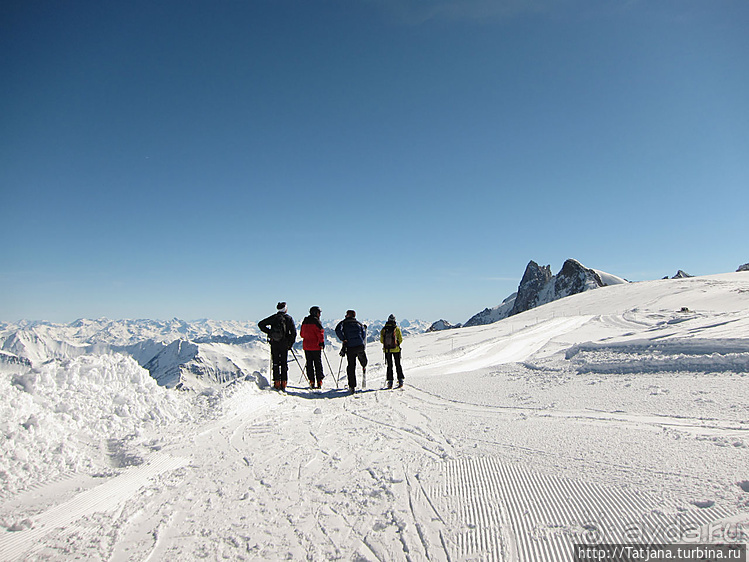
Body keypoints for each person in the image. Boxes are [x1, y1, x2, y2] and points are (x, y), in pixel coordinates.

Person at [258, 302, 296, 390]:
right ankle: (284, 382)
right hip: (284, 343)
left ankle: (276, 382)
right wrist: (290, 343)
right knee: (283, 362)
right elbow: (293, 332)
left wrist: (269, 332)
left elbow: (261, 324)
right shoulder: (288, 318)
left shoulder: (273, 318)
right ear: (285, 309)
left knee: (275, 362)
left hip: (274, 343)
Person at [335, 310, 368, 393]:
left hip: (350, 347)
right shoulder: (359, 323)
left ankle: (352, 386)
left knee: (351, 366)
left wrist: (343, 339)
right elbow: (363, 334)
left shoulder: (344, 323)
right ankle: (364, 365)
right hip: (360, 345)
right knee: (362, 357)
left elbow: (337, 330)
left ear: (348, 315)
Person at [300, 306, 325, 388]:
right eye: (319, 313)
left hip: (306, 346)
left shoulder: (305, 321)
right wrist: (321, 343)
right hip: (316, 346)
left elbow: (302, 334)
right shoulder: (317, 322)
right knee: (318, 363)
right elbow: (320, 333)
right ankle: (319, 381)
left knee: (309, 363)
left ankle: (311, 380)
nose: (320, 314)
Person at [380, 314, 405, 389]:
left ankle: (390, 382)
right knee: (398, 364)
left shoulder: (384, 329)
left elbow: (381, 340)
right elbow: (400, 339)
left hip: (387, 350)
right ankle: (400, 380)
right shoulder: (396, 328)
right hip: (396, 349)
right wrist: (396, 344)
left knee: (389, 365)